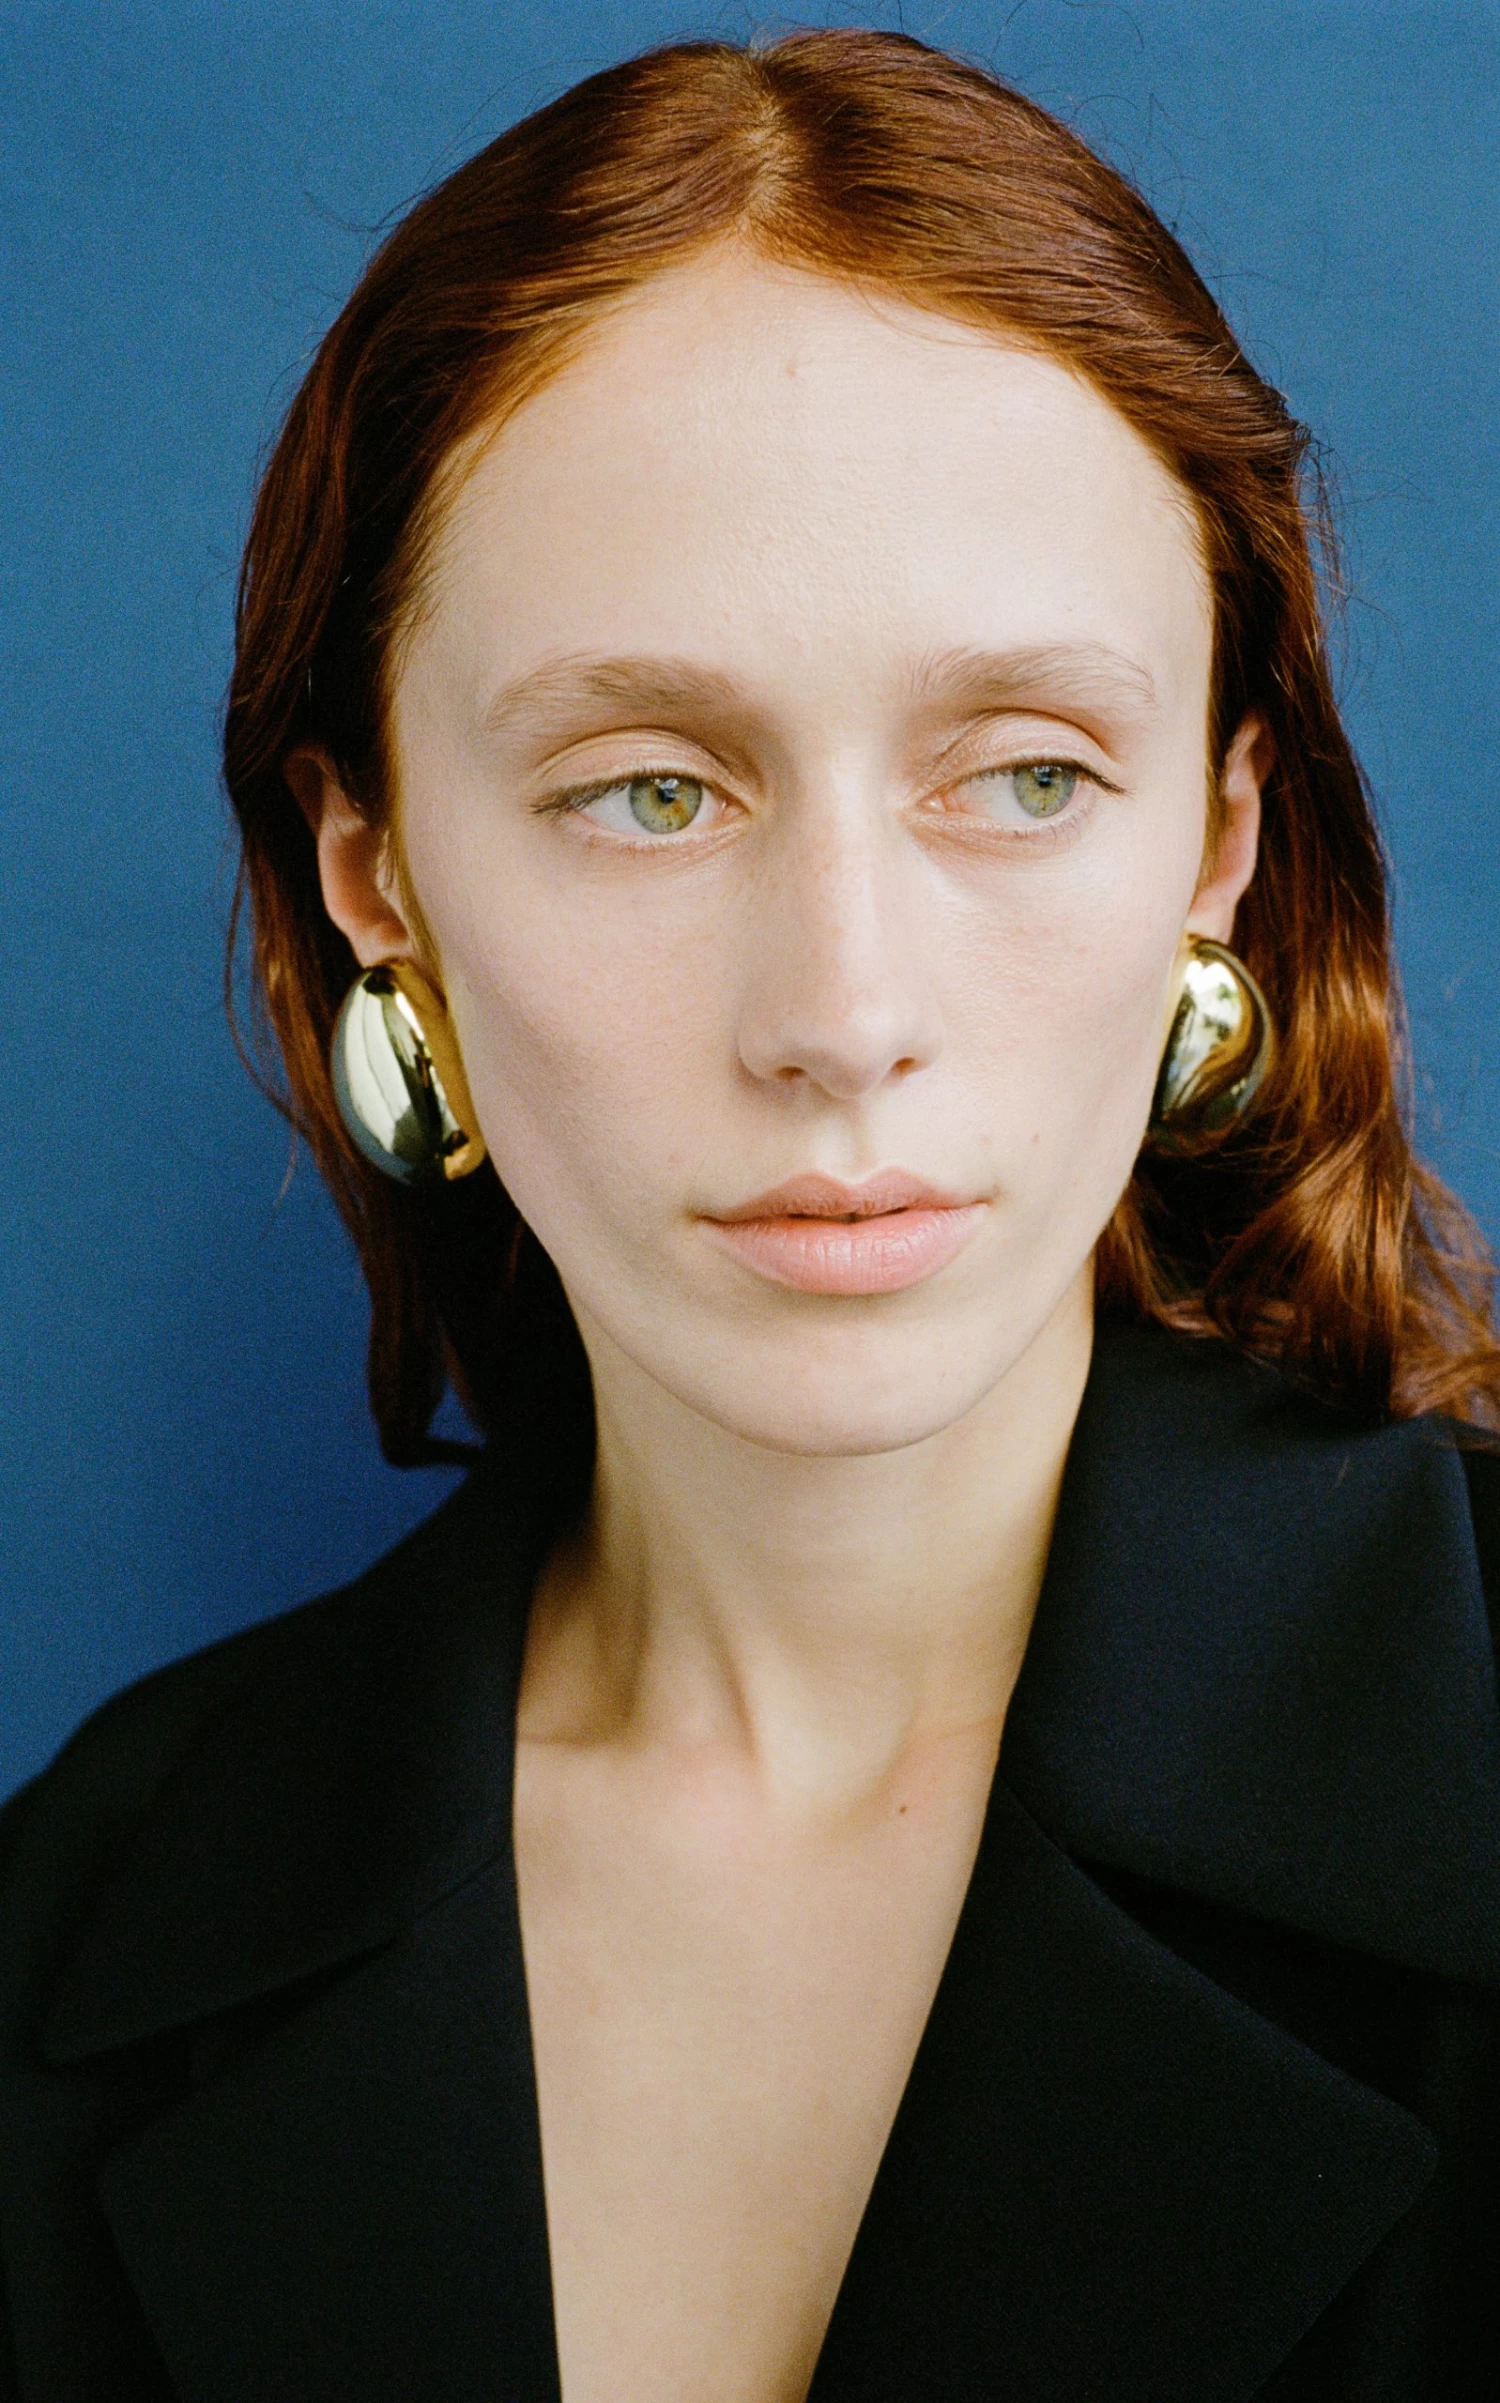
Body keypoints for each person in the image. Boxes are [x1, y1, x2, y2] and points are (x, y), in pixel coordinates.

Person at [2, 26, 1497, 2402]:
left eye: (1026, 774)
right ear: (376, 872)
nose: (843, 1013)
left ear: (1218, 841)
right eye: (648, 792)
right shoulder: (74, 1934)